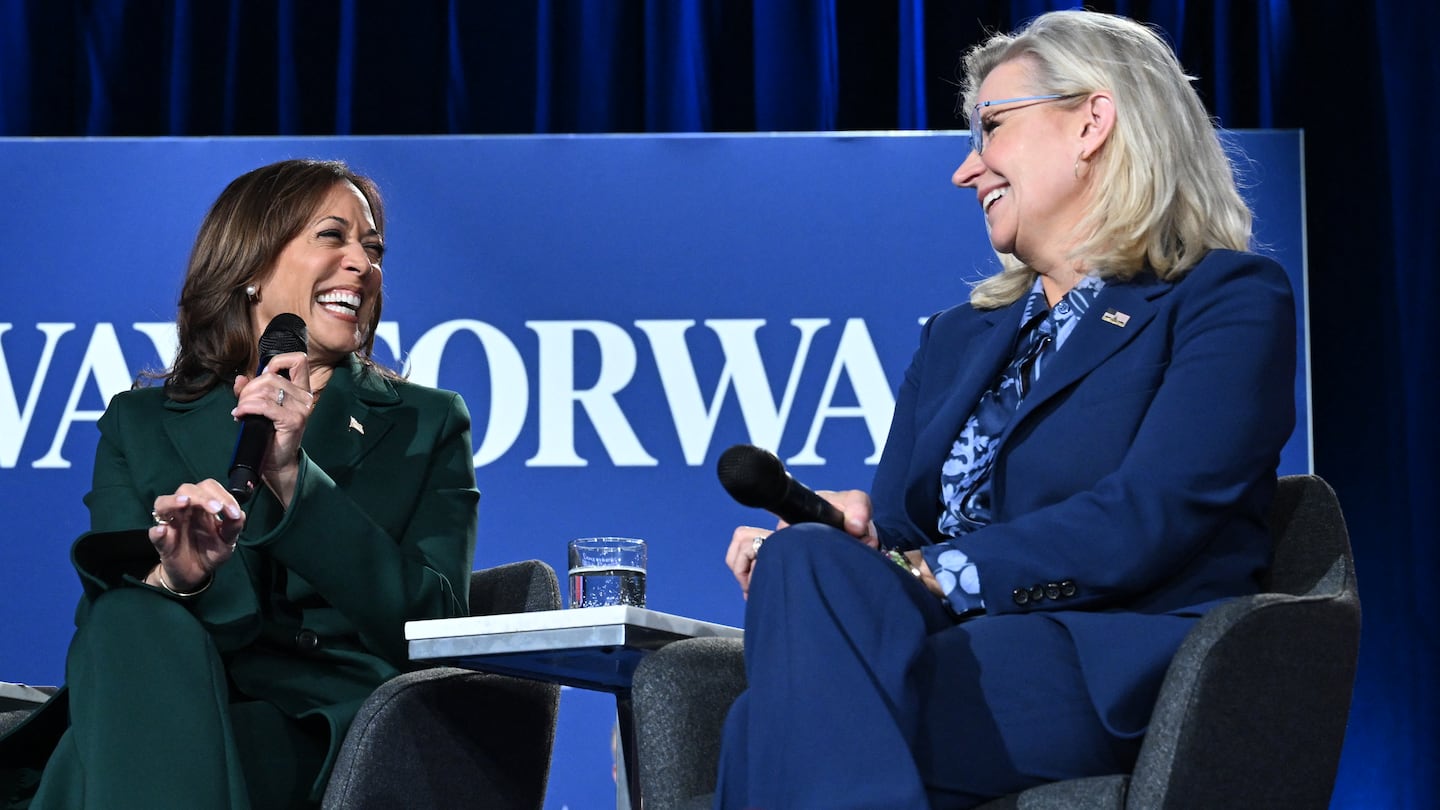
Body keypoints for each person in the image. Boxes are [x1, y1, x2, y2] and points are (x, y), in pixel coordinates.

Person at [714, 10, 1296, 809]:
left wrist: (931, 570)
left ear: (1092, 121)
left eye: (990, 128)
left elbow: (1147, 514)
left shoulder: (1222, 300)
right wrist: (863, 540)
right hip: (952, 647)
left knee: (761, 735)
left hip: (1103, 660)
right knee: (803, 557)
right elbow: (906, 536)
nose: (967, 170)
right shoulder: (957, 338)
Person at [0, 159, 479, 809]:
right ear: (250, 267)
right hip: (180, 693)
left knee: (83, 774)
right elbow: (107, 625)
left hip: (320, 729)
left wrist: (294, 482)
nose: (361, 264)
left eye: (373, 249)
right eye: (331, 237)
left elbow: (438, 628)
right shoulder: (137, 424)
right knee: (129, 611)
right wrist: (178, 578)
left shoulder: (426, 422)